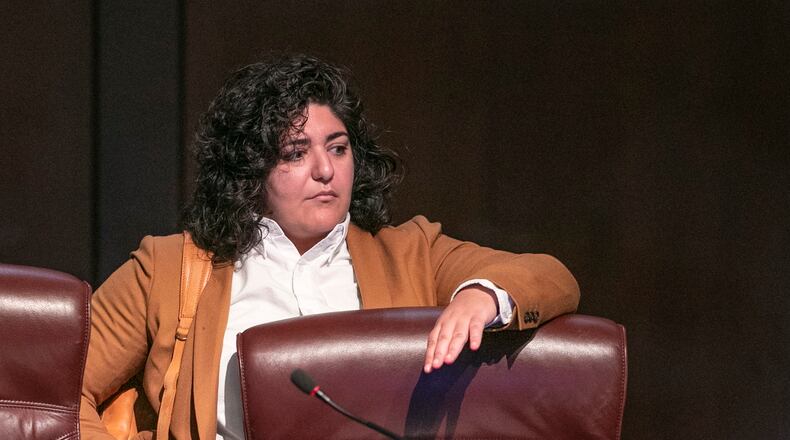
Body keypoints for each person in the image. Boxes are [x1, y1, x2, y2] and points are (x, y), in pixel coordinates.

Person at [79, 54, 580, 439]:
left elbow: (552, 276)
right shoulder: (169, 269)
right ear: (249, 170)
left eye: (338, 148)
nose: (325, 170)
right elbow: (57, 388)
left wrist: (483, 296)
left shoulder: (410, 252)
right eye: (296, 153)